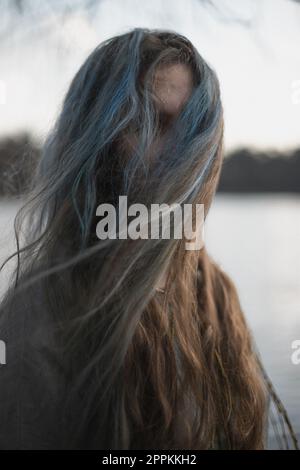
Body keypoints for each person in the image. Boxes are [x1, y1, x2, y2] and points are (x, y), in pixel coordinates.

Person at [0, 28, 297, 450]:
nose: (175, 154)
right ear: (94, 139)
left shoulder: (215, 294)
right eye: (146, 122)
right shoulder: (40, 319)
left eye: (188, 129)